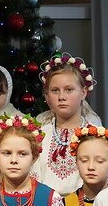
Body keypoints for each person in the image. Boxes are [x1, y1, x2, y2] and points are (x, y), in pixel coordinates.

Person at [35, 53, 103, 197]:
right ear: (47, 96)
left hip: (84, 205)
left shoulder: (96, 136)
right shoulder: (39, 136)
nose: (61, 97)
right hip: (45, 204)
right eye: (55, 91)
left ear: (83, 92)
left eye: (69, 90)